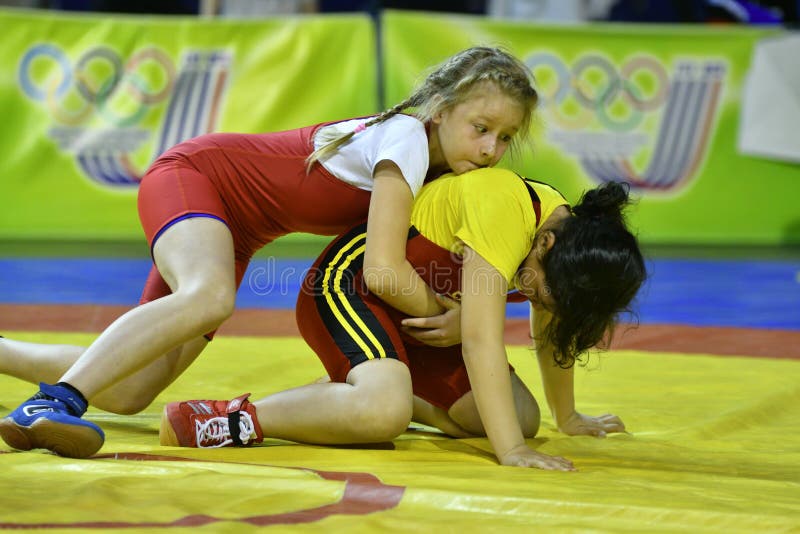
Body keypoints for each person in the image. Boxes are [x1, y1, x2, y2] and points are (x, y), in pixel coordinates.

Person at [0, 46, 539, 459]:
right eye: (481, 128)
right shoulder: (408, 141)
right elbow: (382, 269)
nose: (492, 149)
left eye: (505, 138)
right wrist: (452, 317)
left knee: (131, 390)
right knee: (209, 297)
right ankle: (53, 403)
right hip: (197, 178)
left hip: (237, 232)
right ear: (441, 110)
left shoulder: (443, 172)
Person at [159, 169, 647, 470]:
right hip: (352, 287)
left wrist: (567, 416)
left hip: (418, 322)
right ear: (546, 245)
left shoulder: (562, 240)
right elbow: (480, 344)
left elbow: (548, 324)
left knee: (520, 418)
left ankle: (358, 391)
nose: (535, 298)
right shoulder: (508, 208)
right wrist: (512, 453)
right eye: (544, 292)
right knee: (383, 416)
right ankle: (229, 419)